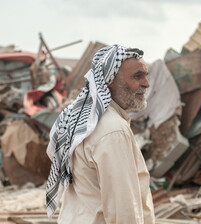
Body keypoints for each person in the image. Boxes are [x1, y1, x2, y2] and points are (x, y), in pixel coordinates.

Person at [46, 44, 155, 223]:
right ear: (110, 80)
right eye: (137, 76)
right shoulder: (113, 130)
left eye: (145, 75)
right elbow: (123, 210)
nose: (146, 83)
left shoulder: (87, 121)